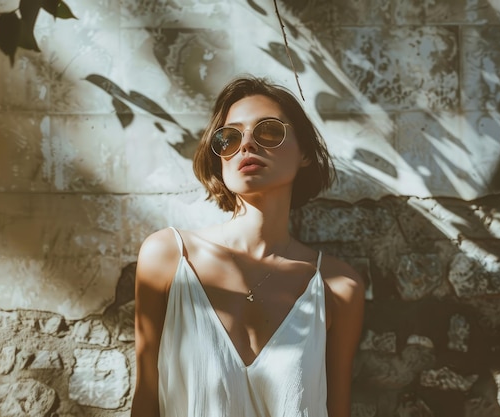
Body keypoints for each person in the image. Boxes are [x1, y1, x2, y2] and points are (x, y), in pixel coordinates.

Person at [131, 76, 365, 417]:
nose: (247, 145)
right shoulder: (168, 257)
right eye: (229, 137)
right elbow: (146, 401)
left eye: (269, 131)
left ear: (303, 153)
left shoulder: (338, 287)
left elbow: (337, 410)